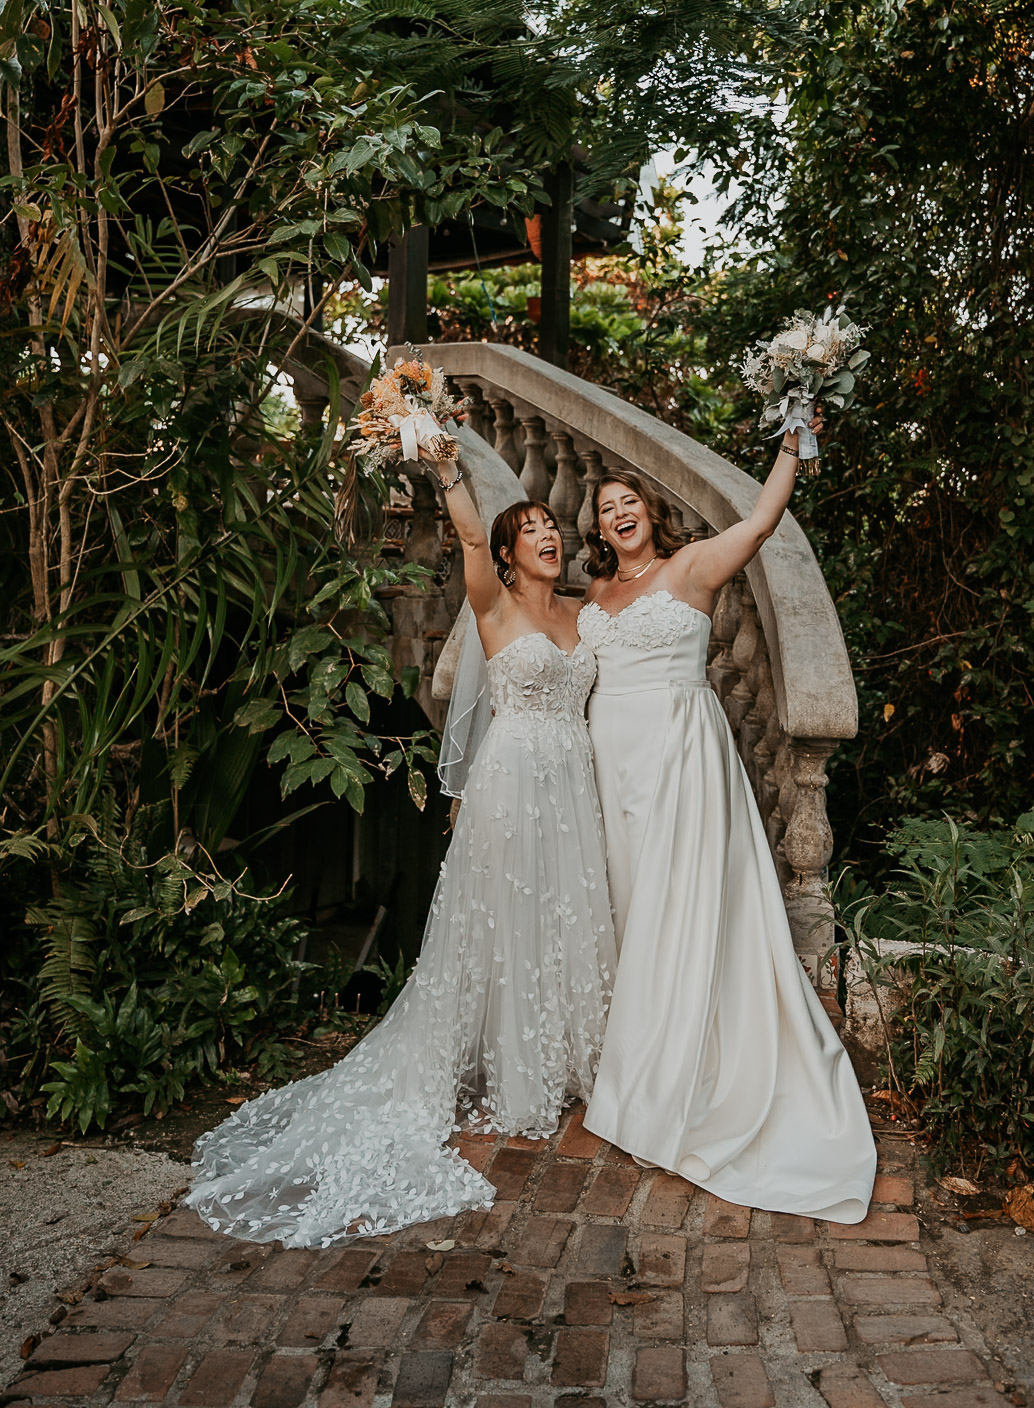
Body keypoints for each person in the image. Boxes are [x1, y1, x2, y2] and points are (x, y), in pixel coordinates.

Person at [187, 468, 615, 1247]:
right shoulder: (493, 605)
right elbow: (463, 532)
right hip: (514, 781)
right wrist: (442, 461)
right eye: (531, 531)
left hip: (574, 786)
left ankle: (573, 1058)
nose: (550, 536)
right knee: (510, 918)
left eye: (554, 526)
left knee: (568, 914)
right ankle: (520, 1074)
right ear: (510, 555)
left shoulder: (586, 615)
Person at [576, 428, 876, 1222]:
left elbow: (762, 522)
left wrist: (792, 444)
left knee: (682, 905)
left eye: (628, 501)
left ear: (649, 511)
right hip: (613, 765)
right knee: (630, 902)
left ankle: (682, 1074)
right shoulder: (597, 599)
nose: (619, 514)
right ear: (598, 531)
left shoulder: (693, 567)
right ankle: (633, 1053)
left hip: (678, 757)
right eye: (606, 510)